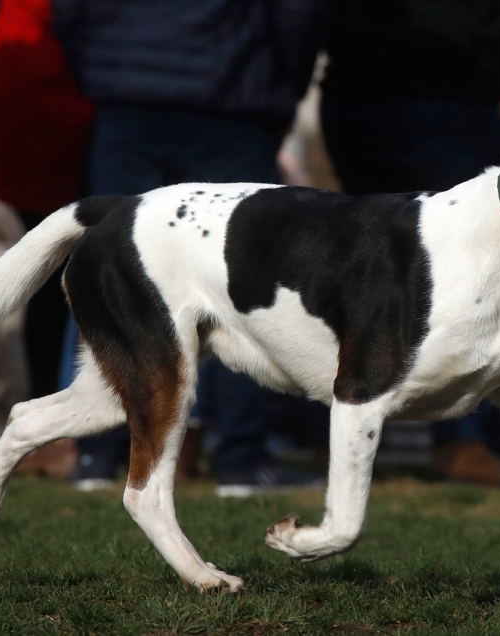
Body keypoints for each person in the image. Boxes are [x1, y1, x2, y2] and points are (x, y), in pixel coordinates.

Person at [53, 0, 329, 494]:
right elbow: (298, 13)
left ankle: (95, 452)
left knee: (109, 266)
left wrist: (101, 63)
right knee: (239, 279)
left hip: (128, 88)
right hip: (229, 94)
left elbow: (70, 11)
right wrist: (280, 86)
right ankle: (241, 456)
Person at [320, 0, 500, 487]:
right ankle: (461, 438)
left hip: (356, 86)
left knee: (369, 266)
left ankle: (356, 412)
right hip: (447, 90)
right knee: (469, 260)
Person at [0, 0, 95, 477]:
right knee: (65, 270)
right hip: (53, 90)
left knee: (57, 269)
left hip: (33, 88)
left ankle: (53, 426)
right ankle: (61, 429)